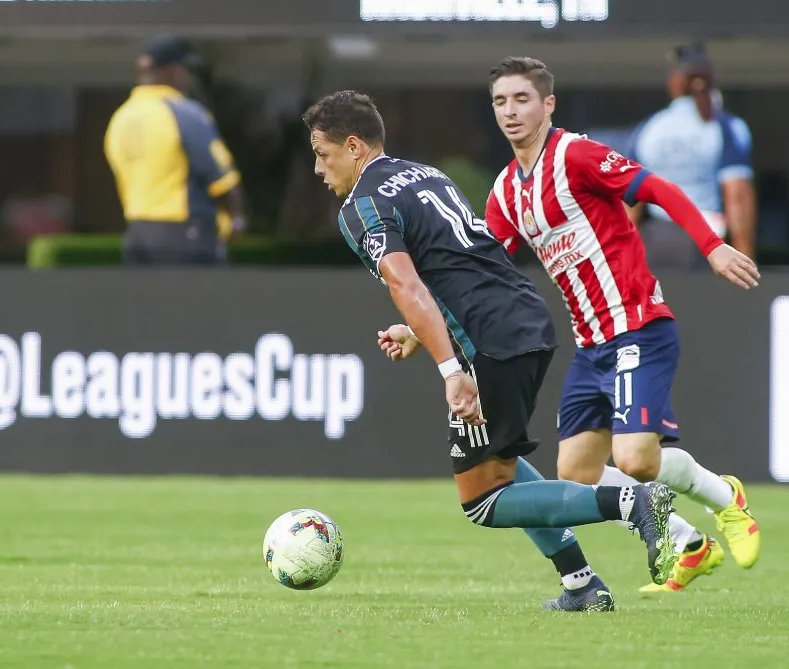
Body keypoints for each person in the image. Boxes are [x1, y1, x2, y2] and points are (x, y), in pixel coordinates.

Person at [301, 90, 679, 612]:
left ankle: (633, 502)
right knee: (500, 464)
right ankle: (581, 585)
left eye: (323, 154)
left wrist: (451, 369)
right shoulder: (424, 175)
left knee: (482, 498)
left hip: (488, 340)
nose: (319, 169)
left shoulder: (362, 205)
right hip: (523, 317)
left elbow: (407, 284)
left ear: (353, 146)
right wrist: (420, 332)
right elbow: (455, 267)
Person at [483, 56, 761, 595]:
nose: (510, 111)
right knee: (576, 473)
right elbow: (484, 271)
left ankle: (726, 498)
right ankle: (688, 543)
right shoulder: (506, 192)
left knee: (635, 460)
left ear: (548, 104)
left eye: (521, 99)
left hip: (637, 327)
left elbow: (659, 189)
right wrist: (420, 327)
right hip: (590, 346)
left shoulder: (576, 155)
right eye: (500, 101)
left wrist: (713, 246)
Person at [104, 34, 245, 266]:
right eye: (187, 70)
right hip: (185, 233)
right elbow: (221, 177)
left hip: (137, 234)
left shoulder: (121, 117)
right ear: (174, 70)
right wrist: (236, 219)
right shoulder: (185, 113)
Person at [625, 43, 757, 267]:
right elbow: (737, 197)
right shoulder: (726, 127)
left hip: (657, 245)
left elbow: (629, 202)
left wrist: (623, 262)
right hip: (707, 241)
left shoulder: (648, 128)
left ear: (674, 83)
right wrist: (746, 260)